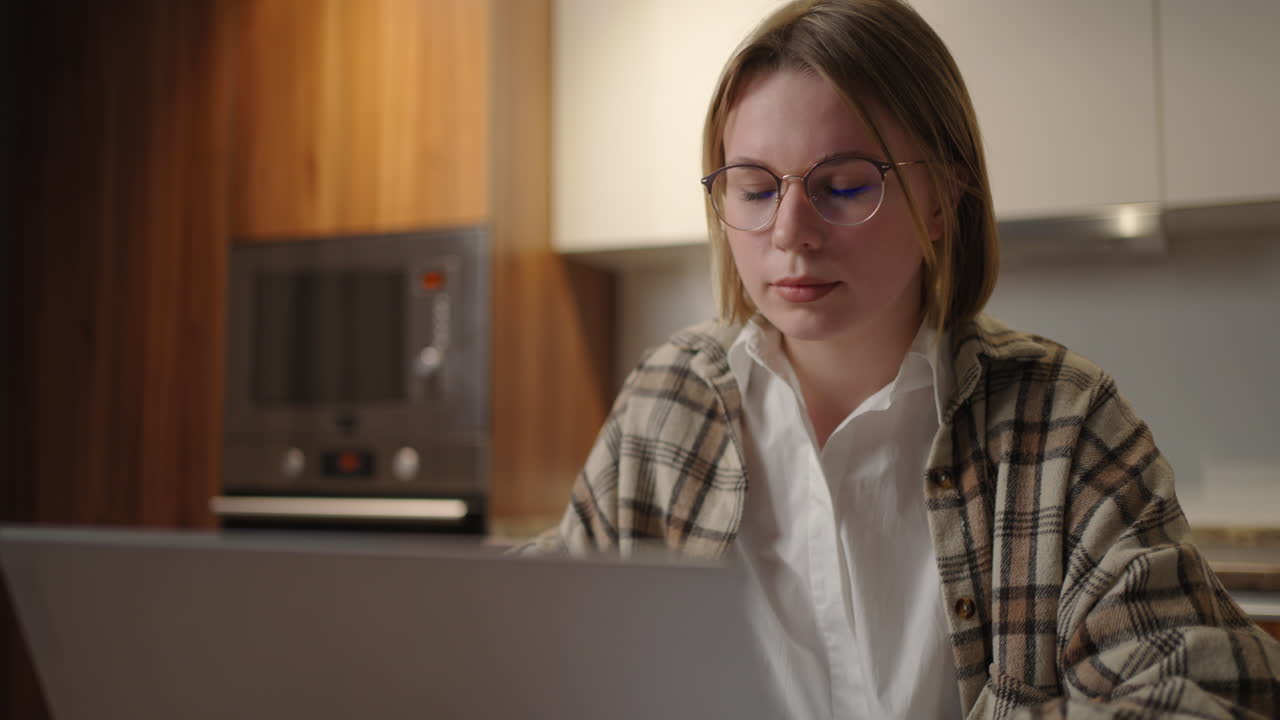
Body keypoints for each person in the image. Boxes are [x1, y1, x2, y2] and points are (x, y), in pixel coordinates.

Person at [525, 0, 1280, 717]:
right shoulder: (669, 401)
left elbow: (1204, 682)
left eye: (845, 184)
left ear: (942, 199)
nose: (791, 231)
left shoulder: (1063, 419)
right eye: (754, 189)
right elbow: (542, 640)